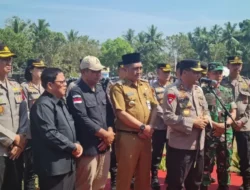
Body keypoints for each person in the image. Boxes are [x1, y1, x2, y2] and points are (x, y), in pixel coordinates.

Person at [110, 53, 158, 190]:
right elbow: (121, 113)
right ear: (125, 70)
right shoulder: (119, 88)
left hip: (146, 136)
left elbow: (155, 107)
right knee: (125, 176)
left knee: (144, 176)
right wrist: (142, 127)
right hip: (128, 137)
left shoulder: (145, 85)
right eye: (135, 69)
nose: (139, 72)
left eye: (140, 68)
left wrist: (150, 126)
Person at [30, 68, 83, 190]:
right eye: (62, 82)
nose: (65, 85)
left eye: (66, 81)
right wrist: (73, 146)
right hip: (54, 168)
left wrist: (77, 144)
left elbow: (68, 128)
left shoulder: (59, 102)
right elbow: (50, 133)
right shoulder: (43, 105)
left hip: (67, 164)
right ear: (50, 85)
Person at [67, 56, 115, 190]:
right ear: (83, 72)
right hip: (88, 149)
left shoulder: (100, 88)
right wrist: (105, 134)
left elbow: (110, 114)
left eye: (99, 71)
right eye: (94, 71)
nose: (98, 74)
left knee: (100, 184)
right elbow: (81, 118)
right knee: (85, 185)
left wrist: (109, 133)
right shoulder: (76, 91)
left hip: (104, 146)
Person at [163, 59, 210, 190]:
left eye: (199, 73)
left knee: (195, 183)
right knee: (176, 184)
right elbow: (168, 117)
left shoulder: (199, 90)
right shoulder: (172, 91)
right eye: (195, 73)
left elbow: (205, 110)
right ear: (184, 73)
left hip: (198, 145)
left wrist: (206, 119)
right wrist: (192, 122)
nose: (199, 75)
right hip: (180, 147)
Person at [201, 62, 237, 190]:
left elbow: (233, 110)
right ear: (208, 74)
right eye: (215, 72)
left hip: (225, 133)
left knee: (225, 162)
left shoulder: (227, 91)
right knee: (206, 163)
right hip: (209, 132)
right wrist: (216, 125)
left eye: (220, 72)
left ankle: (223, 185)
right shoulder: (202, 91)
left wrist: (225, 125)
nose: (218, 75)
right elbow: (201, 113)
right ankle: (204, 185)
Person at [0, 43, 28, 190]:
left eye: (10, 59)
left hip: (17, 150)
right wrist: (13, 139)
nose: (9, 62)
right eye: (4, 59)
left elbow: (24, 115)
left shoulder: (16, 86)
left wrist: (21, 140)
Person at [221, 56, 250, 190]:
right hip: (226, 124)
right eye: (233, 64)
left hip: (243, 125)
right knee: (225, 155)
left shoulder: (247, 83)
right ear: (228, 65)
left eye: (239, 64)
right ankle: (224, 183)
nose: (236, 67)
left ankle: (247, 183)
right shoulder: (222, 83)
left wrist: (242, 120)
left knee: (246, 156)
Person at [21, 59, 46, 190]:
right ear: (31, 70)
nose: (41, 70)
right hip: (31, 133)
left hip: (45, 133)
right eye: (38, 68)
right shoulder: (24, 87)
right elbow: (25, 111)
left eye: (43, 68)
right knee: (30, 169)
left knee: (44, 168)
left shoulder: (46, 86)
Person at [150, 63, 172, 190]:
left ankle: (169, 176)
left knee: (171, 153)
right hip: (159, 126)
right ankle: (154, 177)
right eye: (164, 72)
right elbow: (155, 105)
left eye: (169, 72)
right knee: (157, 153)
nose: (167, 74)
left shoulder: (173, 86)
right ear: (158, 72)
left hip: (171, 128)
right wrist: (167, 118)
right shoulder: (152, 87)